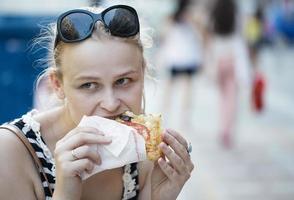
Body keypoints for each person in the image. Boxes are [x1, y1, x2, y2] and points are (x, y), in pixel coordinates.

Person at [0, 5, 194, 200]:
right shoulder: (11, 152)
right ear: (58, 85)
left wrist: (158, 197)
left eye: (123, 81)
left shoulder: (142, 154)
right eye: (89, 85)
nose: (110, 104)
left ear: (142, 73)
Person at [208, 0, 249, 148]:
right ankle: (228, 131)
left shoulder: (215, 11)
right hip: (232, 59)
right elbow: (241, 35)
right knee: (232, 99)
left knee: (222, 98)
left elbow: (210, 35)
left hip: (219, 60)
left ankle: (222, 128)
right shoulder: (235, 10)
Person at [157, 0, 204, 127]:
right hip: (178, 57)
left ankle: (182, 118)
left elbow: (201, 37)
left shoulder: (192, 19)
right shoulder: (173, 18)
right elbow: (164, 36)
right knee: (177, 89)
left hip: (183, 58)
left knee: (182, 89)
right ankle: (168, 116)